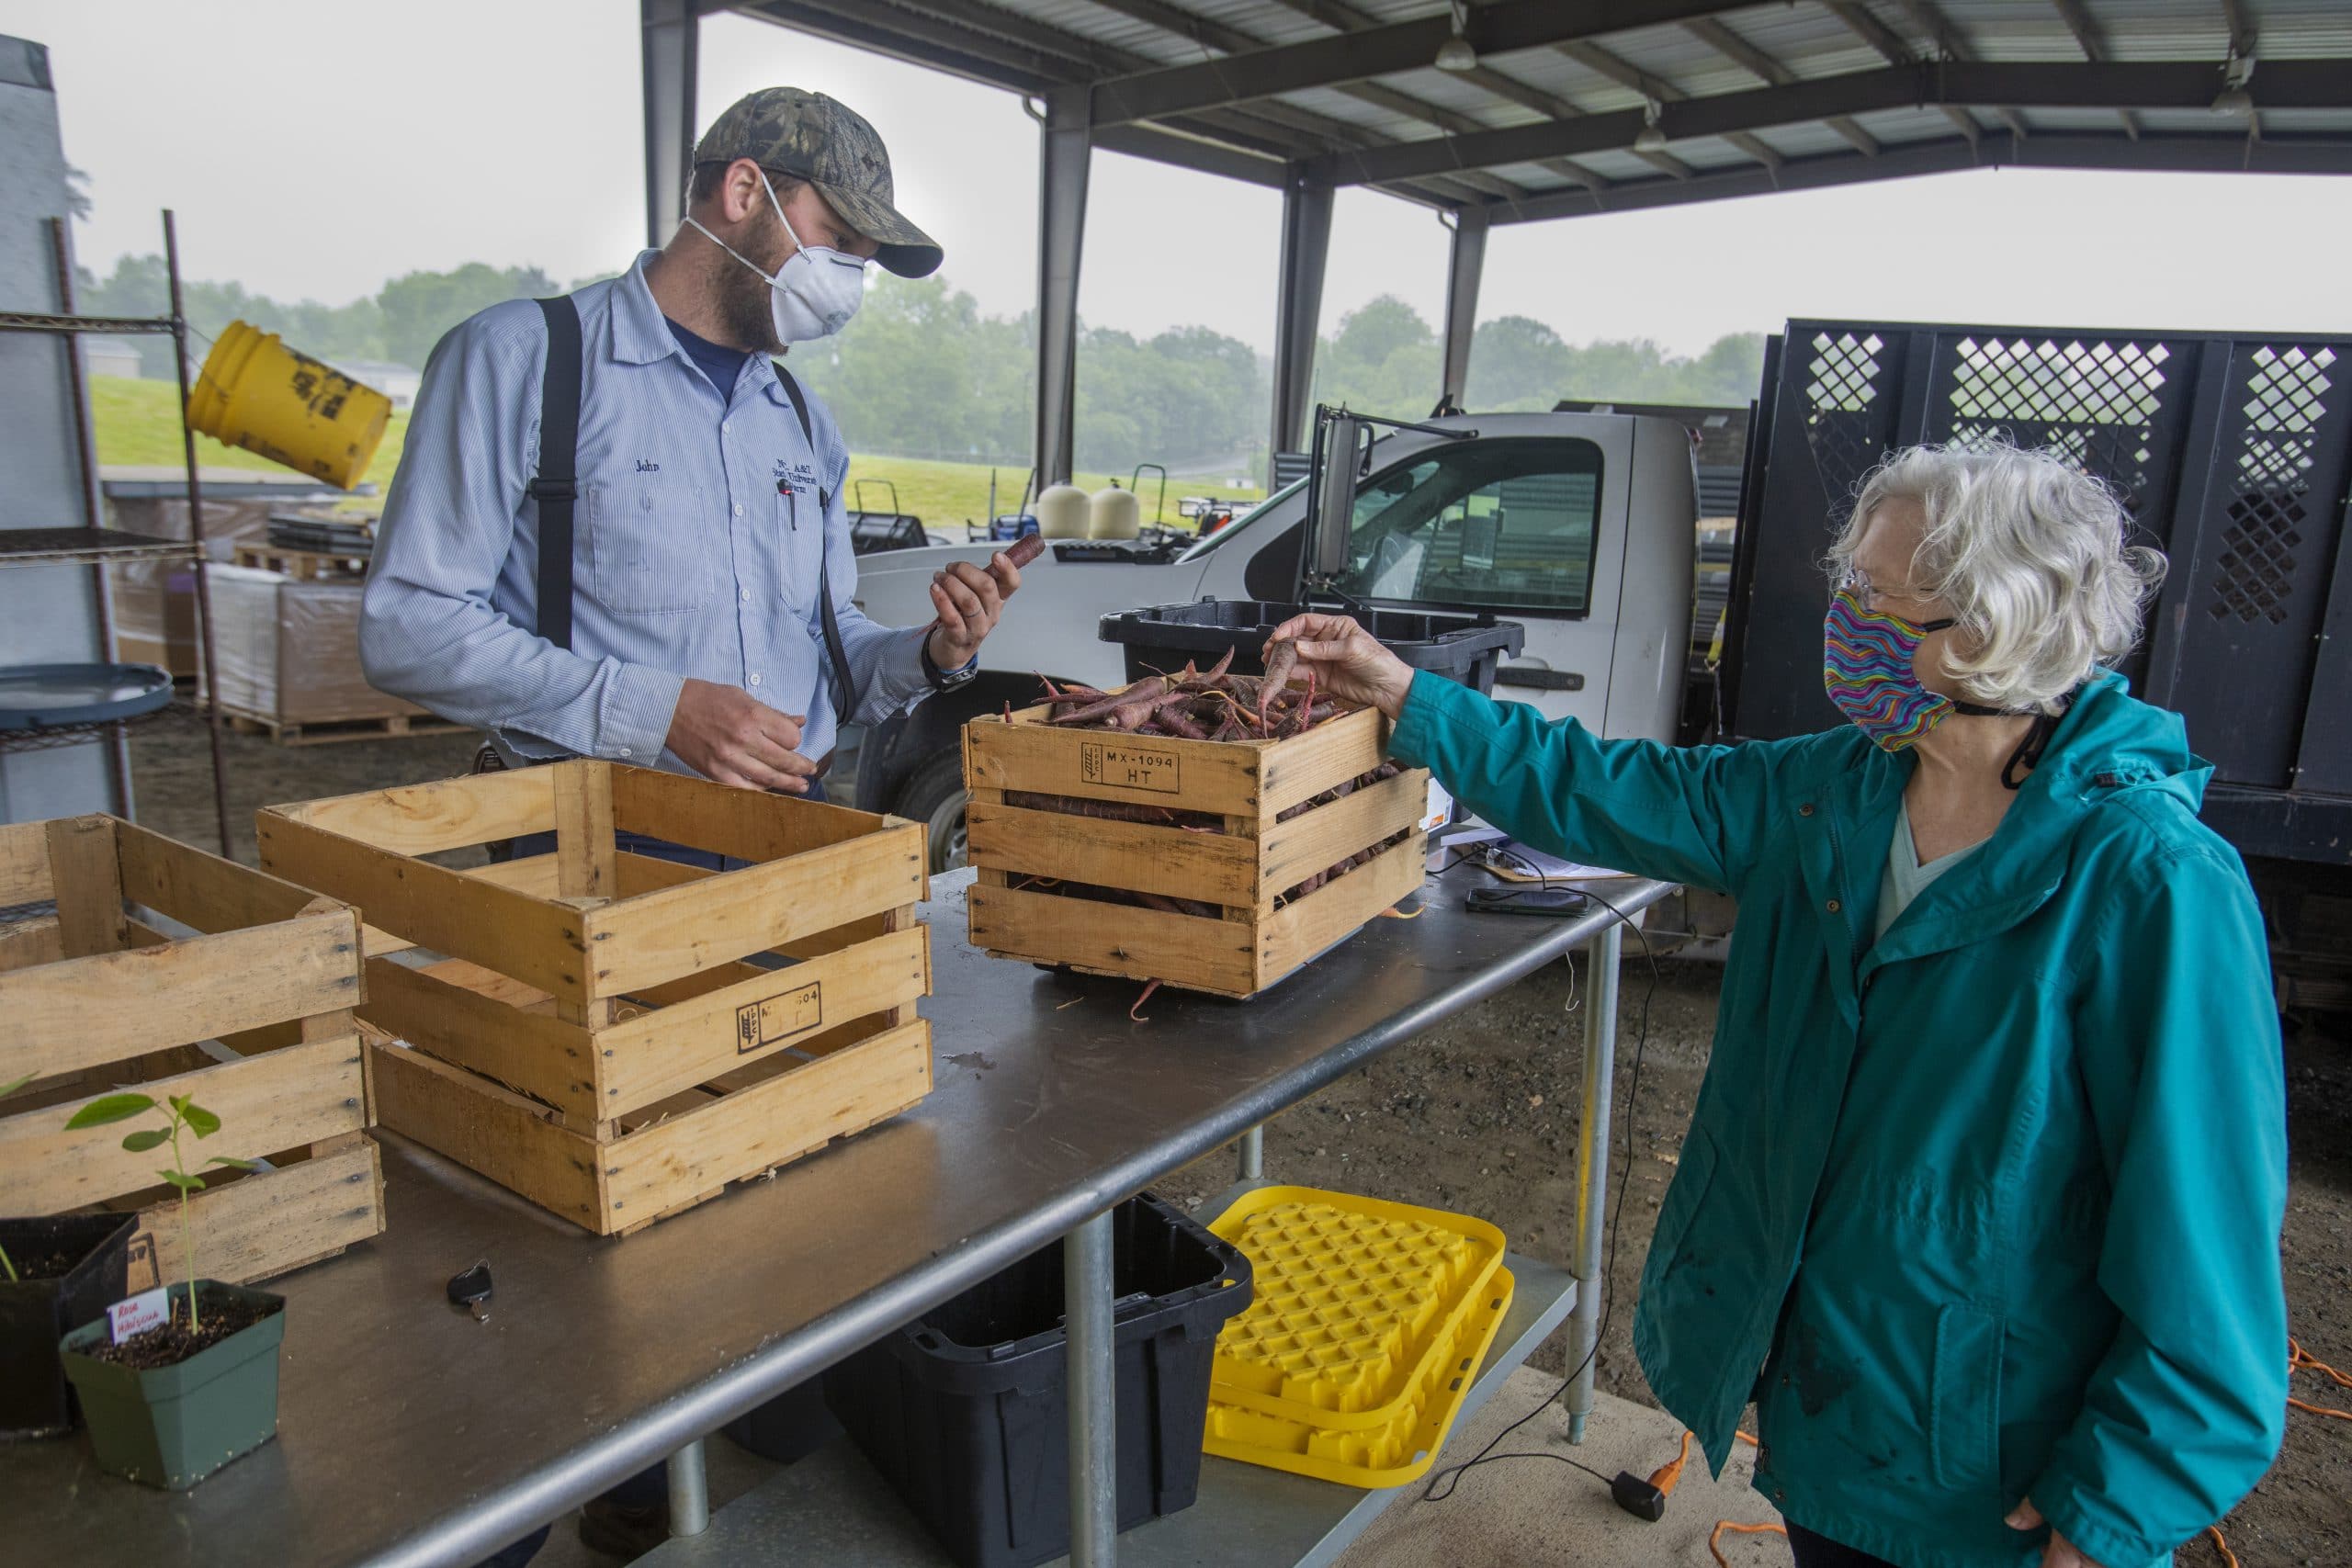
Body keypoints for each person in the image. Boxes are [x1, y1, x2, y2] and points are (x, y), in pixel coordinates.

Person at [1274, 443, 2288, 1568]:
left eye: (1881, 604)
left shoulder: (2149, 882)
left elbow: (2207, 1247)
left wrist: (2117, 1510)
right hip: (1824, 1397)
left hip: (1985, 1461)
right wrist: (1408, 695)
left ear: (1995, 626)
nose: (1845, 623)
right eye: (1846, 591)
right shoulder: (1837, 787)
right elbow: (1617, 790)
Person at [360, 87, 1021, 1560]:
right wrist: (649, 706)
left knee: (738, 1193)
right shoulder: (529, 364)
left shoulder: (801, 417)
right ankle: (501, 1512)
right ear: (743, 195)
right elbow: (405, 627)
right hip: (566, 874)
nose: (843, 279)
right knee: (544, 1216)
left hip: (761, 880)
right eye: (839, 237)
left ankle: (648, 1485)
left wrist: (932, 654)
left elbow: (826, 653)